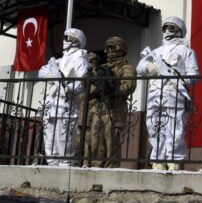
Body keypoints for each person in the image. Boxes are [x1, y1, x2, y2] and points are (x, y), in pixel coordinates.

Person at [137, 16, 199, 171]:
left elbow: (194, 76)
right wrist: (149, 66)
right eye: (165, 27)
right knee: (154, 127)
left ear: (179, 30)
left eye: (171, 27)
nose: (167, 31)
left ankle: (173, 159)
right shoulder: (156, 51)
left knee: (175, 128)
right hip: (155, 95)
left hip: (174, 95)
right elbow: (139, 67)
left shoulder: (187, 51)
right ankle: (158, 159)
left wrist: (178, 78)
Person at [38, 28, 88, 167]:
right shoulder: (59, 61)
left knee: (64, 144)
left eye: (67, 38)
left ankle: (65, 170)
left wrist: (67, 87)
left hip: (66, 105)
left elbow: (83, 82)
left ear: (75, 41)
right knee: (49, 142)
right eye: (64, 37)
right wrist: (52, 76)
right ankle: (52, 167)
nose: (63, 41)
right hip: (51, 105)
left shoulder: (80, 58)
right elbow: (41, 72)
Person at [94, 36, 136, 168]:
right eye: (106, 48)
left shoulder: (126, 68)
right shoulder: (101, 68)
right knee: (96, 143)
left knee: (112, 143)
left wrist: (112, 88)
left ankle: (110, 172)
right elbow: (89, 85)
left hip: (116, 109)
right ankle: (95, 171)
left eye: (112, 47)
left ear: (121, 49)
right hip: (99, 108)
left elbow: (128, 86)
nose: (108, 51)